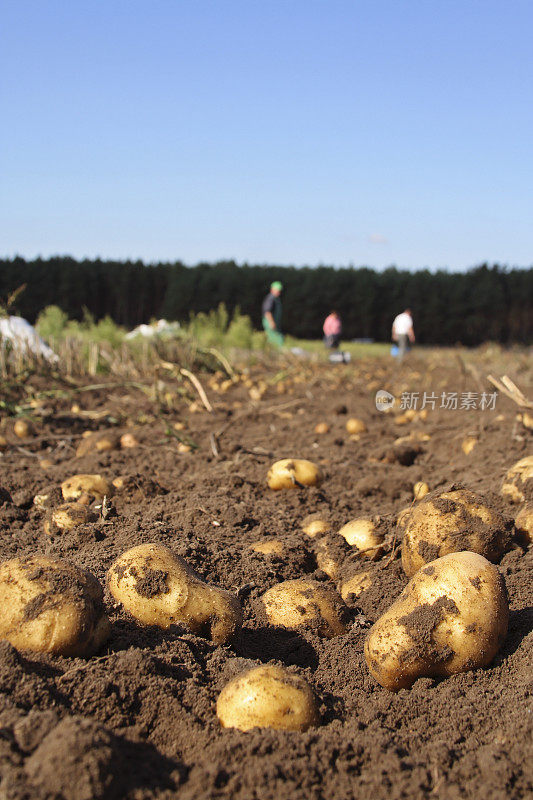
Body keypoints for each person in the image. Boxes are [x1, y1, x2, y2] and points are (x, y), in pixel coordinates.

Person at [262, 281, 284, 347]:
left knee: (273, 340)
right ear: (272, 290)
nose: (279, 292)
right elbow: (267, 312)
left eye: (279, 290)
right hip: (269, 322)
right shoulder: (270, 298)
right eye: (277, 290)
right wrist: (271, 322)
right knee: (278, 339)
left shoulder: (276, 299)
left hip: (274, 322)